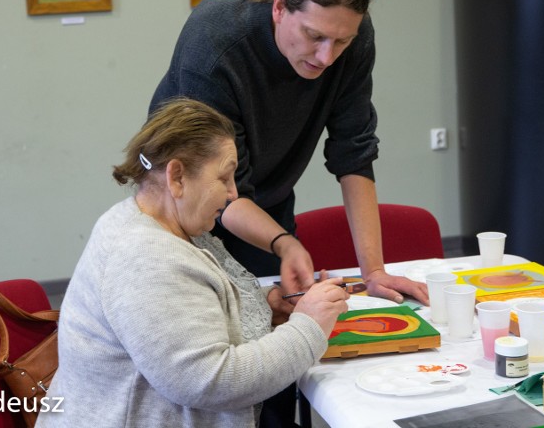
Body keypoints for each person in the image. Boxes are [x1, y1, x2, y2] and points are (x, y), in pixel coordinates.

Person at [150, 0, 428, 426]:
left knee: (277, 352)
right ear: (280, 7)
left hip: (266, 200)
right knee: (209, 364)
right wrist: (284, 242)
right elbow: (220, 190)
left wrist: (374, 270)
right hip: (186, 207)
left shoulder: (349, 39)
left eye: (341, 41)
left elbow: (354, 153)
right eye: (314, 36)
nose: (327, 56)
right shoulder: (217, 41)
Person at [36, 98, 348, 427]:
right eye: (224, 178)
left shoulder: (154, 224)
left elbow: (188, 317)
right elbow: (212, 382)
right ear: (177, 177)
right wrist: (309, 326)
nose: (232, 194)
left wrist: (266, 307)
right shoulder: (145, 259)